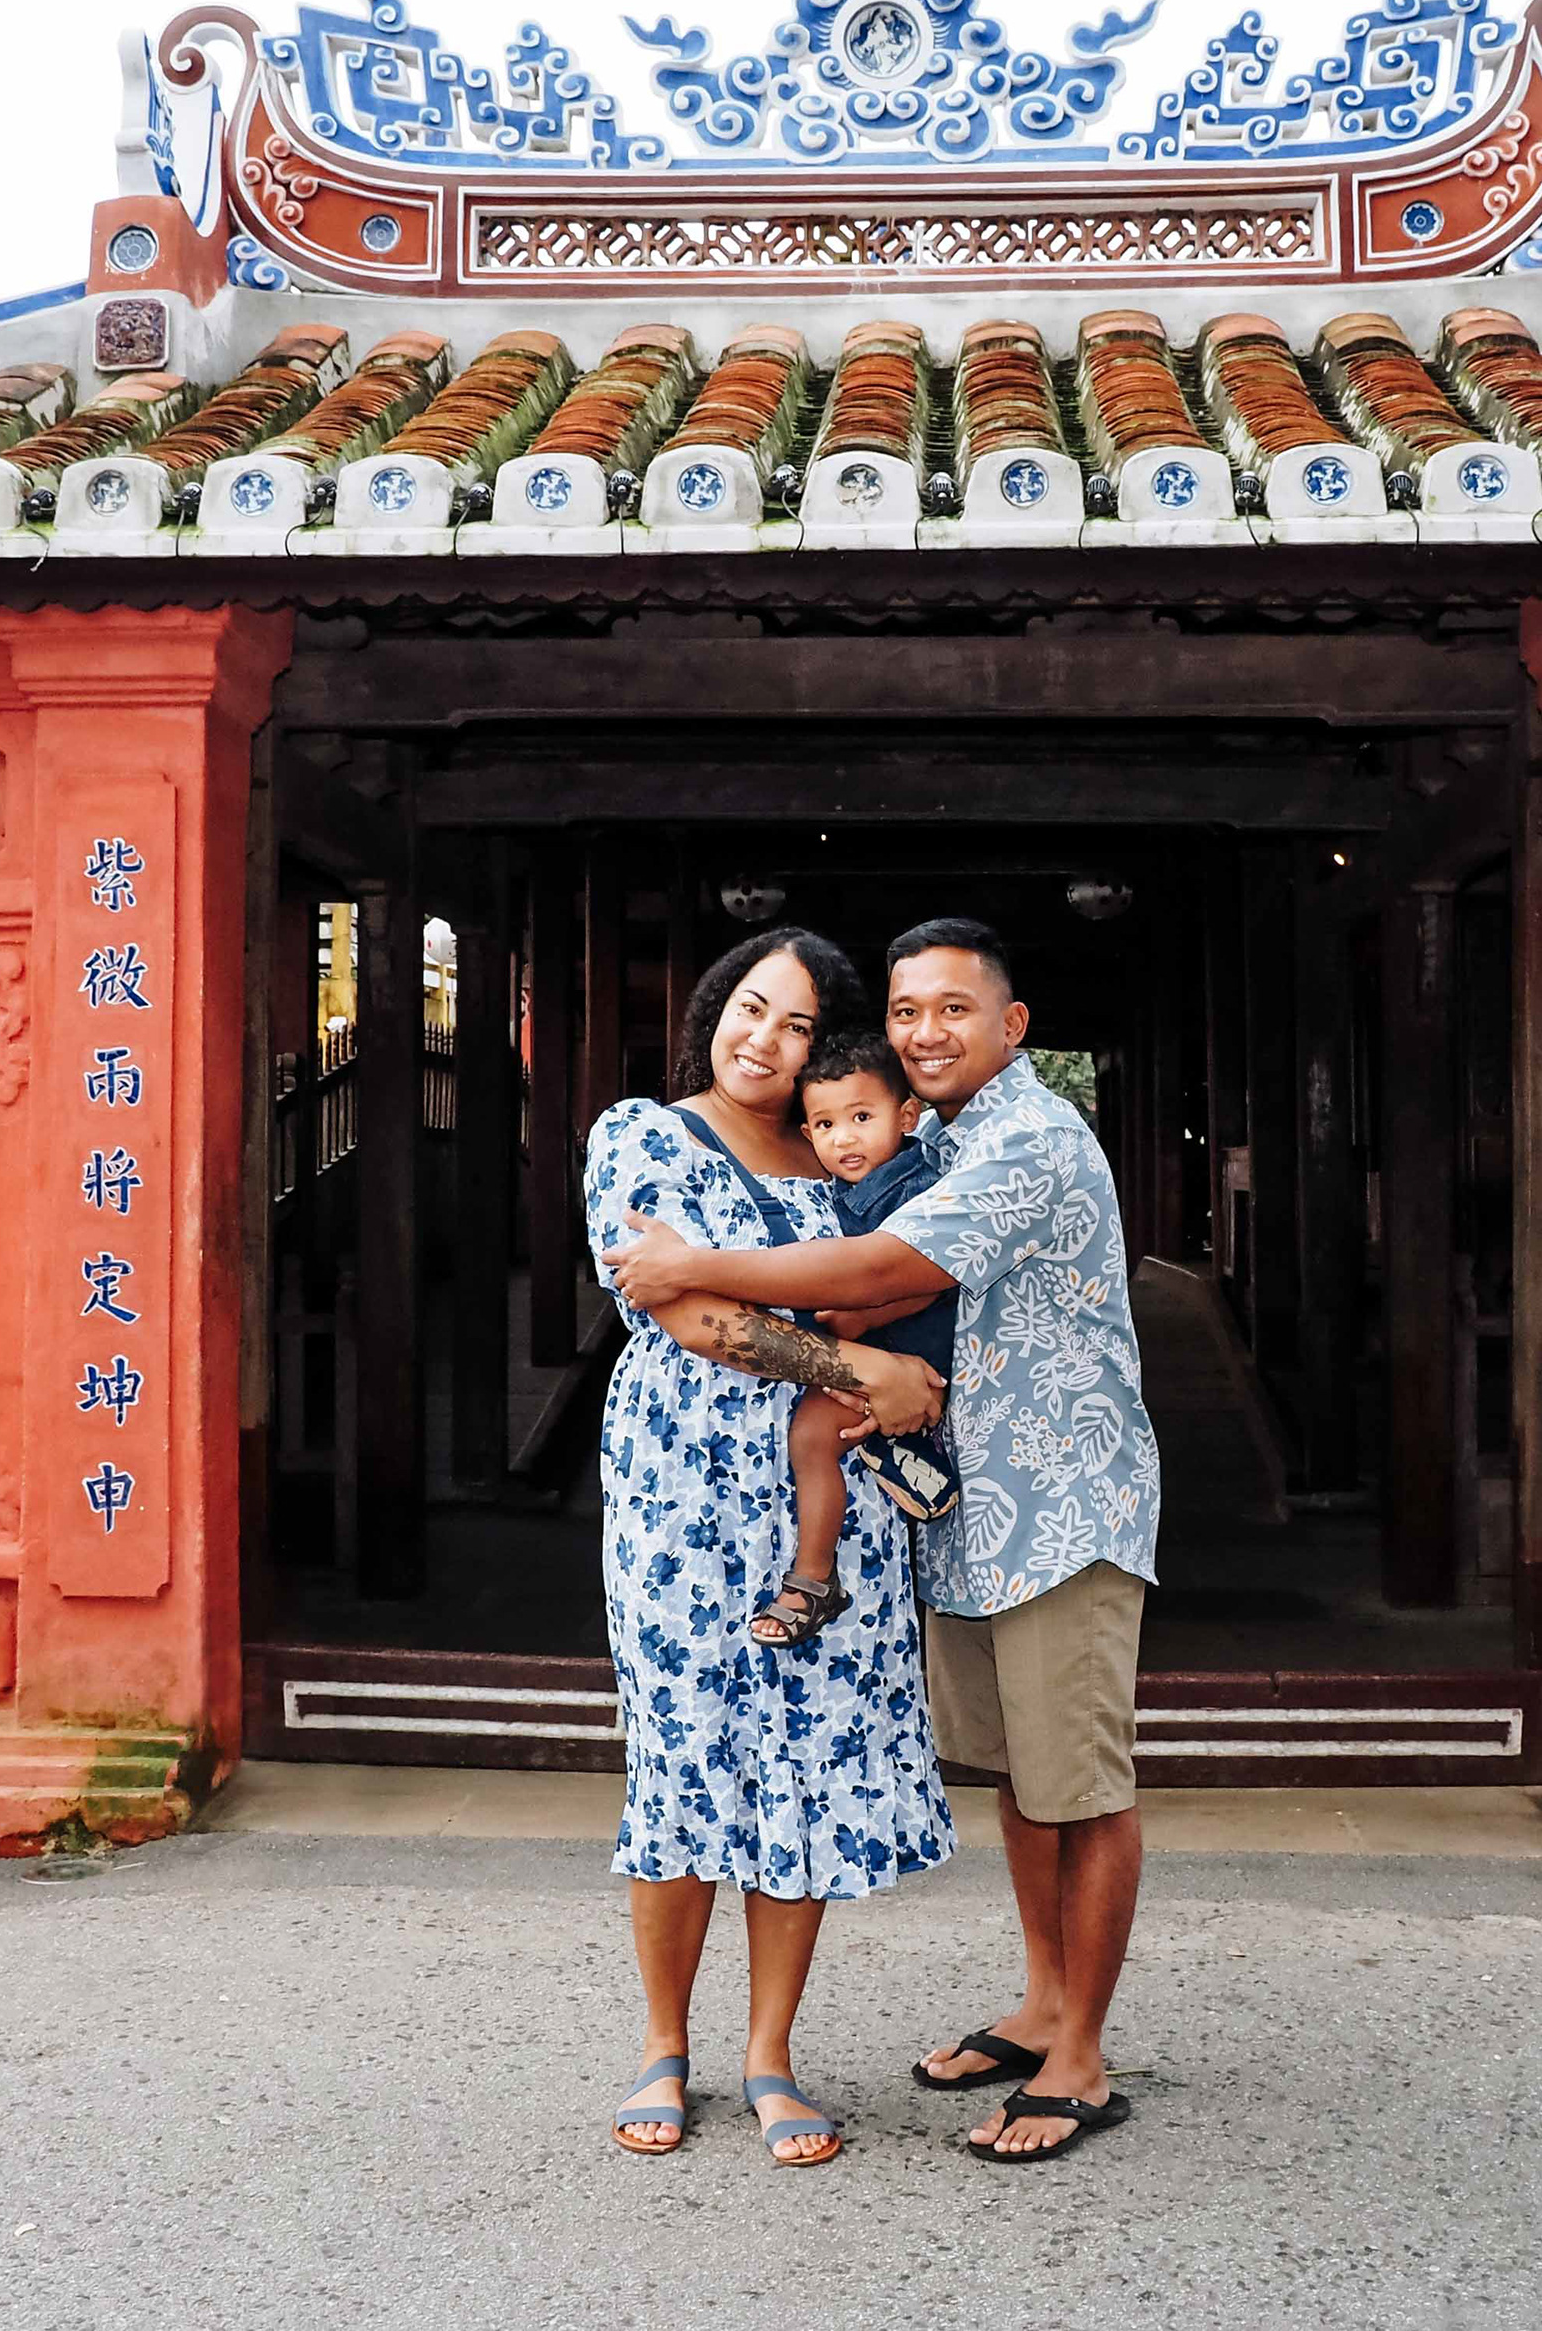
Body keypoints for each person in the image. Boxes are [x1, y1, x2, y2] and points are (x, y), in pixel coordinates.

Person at [607, 918, 1162, 2165]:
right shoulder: (892, 1137)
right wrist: (855, 1363)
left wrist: (716, 1271)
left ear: (1013, 1025)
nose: (926, 1031)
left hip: (1057, 1502)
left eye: (953, 1009)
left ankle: (1079, 2057)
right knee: (1021, 1772)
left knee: (1078, 1779)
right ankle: (1040, 2002)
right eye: (907, 1011)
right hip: (935, 1509)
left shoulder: (1021, 1138)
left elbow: (887, 1265)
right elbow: (726, 1308)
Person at [580, 926, 953, 2170]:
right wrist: (860, 1369)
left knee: (801, 1755)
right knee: (684, 1748)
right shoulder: (640, 1133)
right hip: (682, 1485)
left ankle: (772, 2053)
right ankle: (663, 2045)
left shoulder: (840, 1150)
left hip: (817, 1498)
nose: (766, 1041)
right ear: (712, 1007)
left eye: (797, 1025)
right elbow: (687, 1310)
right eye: (751, 1008)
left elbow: (902, 1274)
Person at [748, 1033, 959, 1652]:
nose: (844, 1138)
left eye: (861, 1118)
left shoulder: (915, 1185)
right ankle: (907, 1453)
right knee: (817, 1434)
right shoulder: (836, 1188)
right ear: (808, 1134)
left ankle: (812, 1578)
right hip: (877, 1353)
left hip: (912, 1349)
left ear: (906, 1117)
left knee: (813, 1436)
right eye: (825, 1124)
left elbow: (935, 1274)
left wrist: (862, 1321)